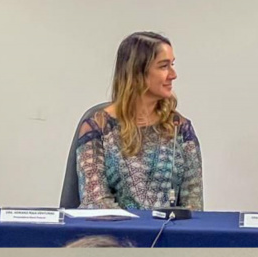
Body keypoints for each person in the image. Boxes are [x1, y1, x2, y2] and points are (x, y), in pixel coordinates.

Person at [75, 32, 203, 210]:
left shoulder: (180, 128)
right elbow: (95, 202)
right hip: (114, 227)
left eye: (172, 65)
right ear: (137, 72)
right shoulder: (98, 128)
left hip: (169, 227)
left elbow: (193, 207)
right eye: (164, 66)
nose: (173, 75)